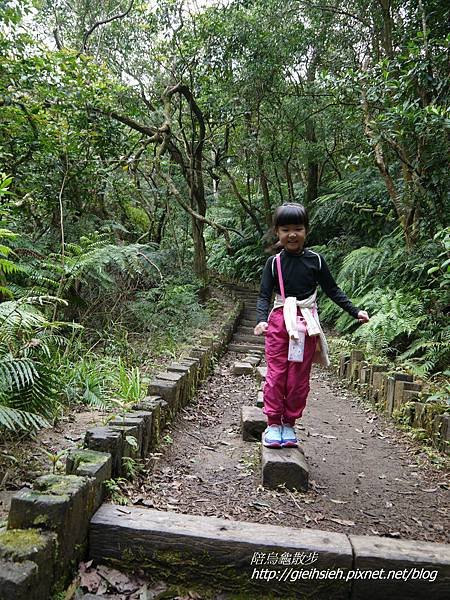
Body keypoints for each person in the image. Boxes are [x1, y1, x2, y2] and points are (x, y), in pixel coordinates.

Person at [254, 203, 369, 448]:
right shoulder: (273, 263)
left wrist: (355, 311)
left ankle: (289, 424)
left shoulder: (315, 261)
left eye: (297, 228)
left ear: (306, 230)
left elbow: (332, 289)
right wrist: (261, 320)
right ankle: (273, 423)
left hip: (306, 325)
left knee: (298, 378)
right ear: (277, 232)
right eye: (286, 229)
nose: (292, 234)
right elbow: (264, 295)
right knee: (276, 375)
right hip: (278, 323)